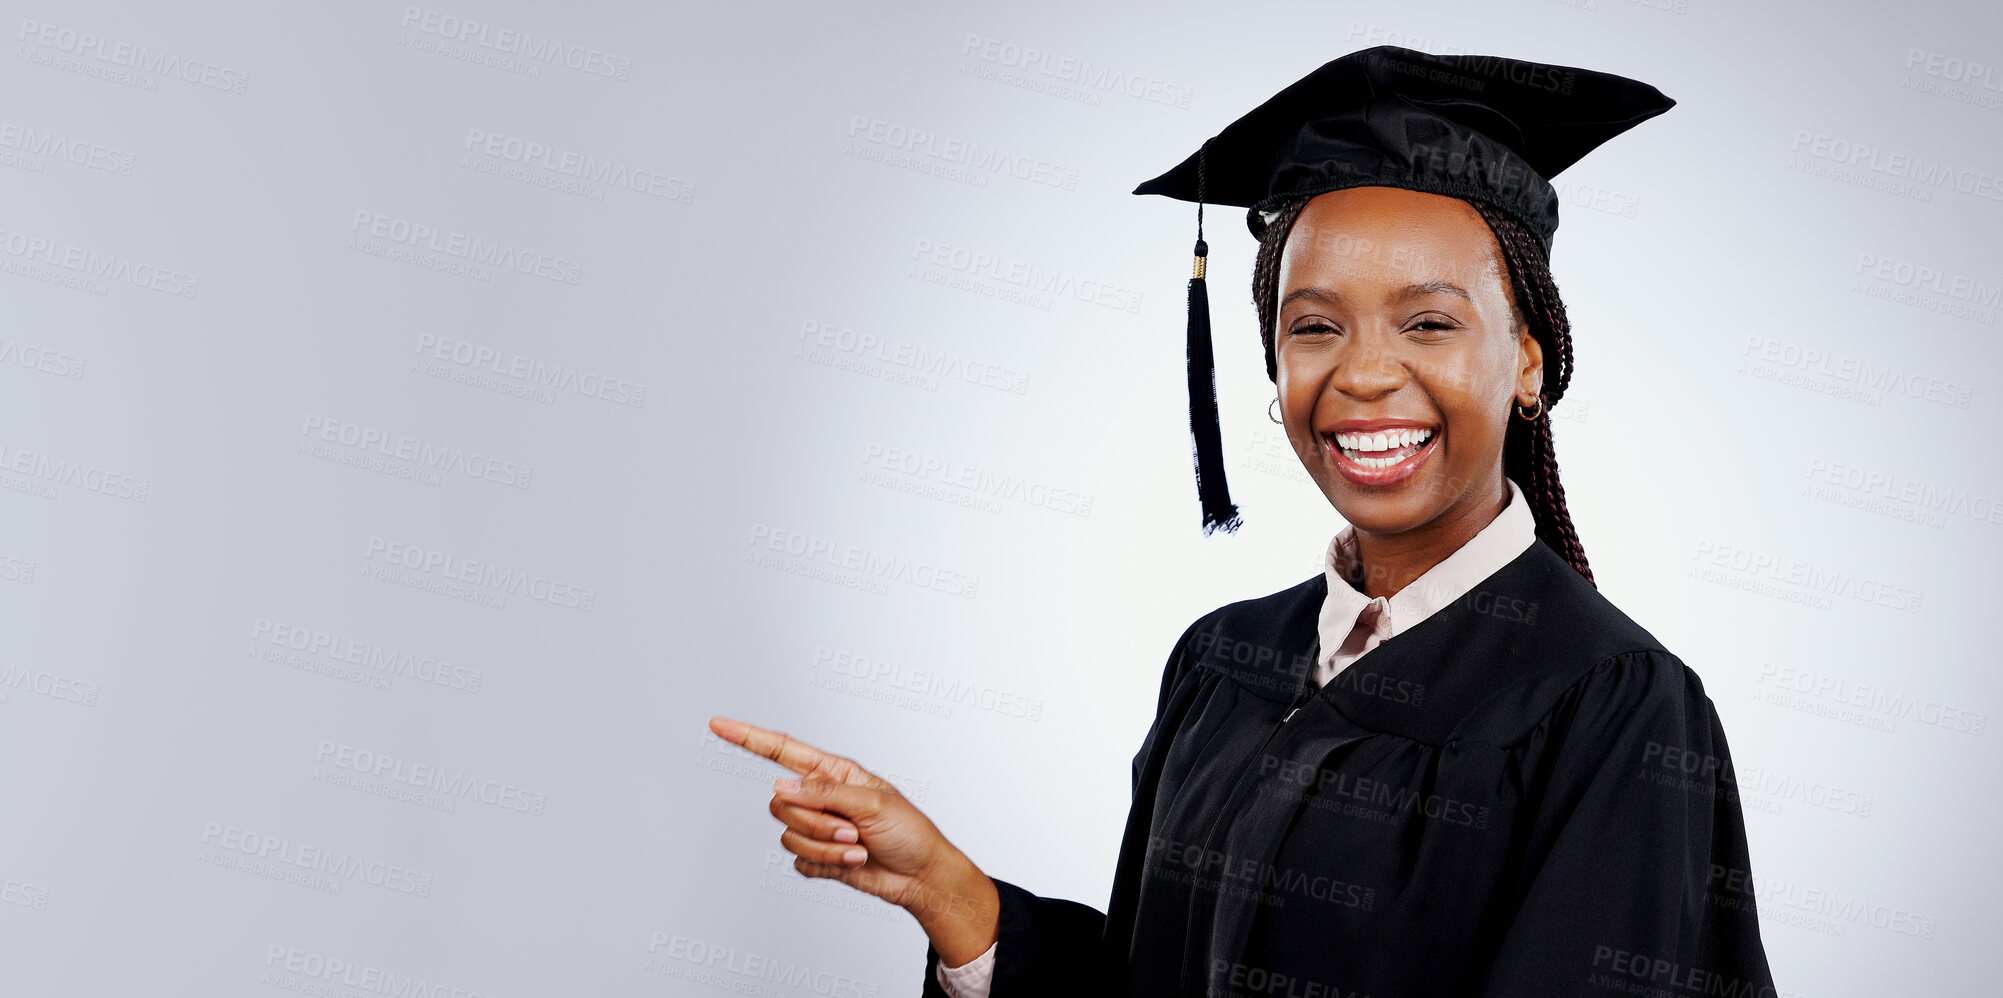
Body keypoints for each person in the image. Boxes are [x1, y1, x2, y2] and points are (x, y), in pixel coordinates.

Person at [709, 45, 1776, 998]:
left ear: (1527, 360)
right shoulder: (1225, 659)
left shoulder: (1609, 703)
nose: (1361, 371)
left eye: (1428, 321)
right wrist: (951, 893)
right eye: (1312, 325)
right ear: (1273, 363)